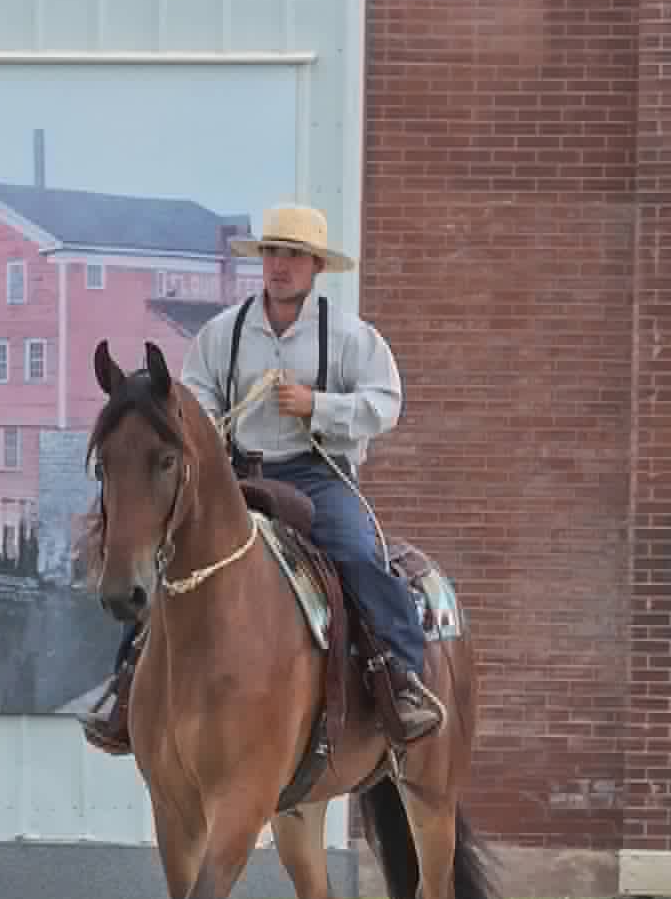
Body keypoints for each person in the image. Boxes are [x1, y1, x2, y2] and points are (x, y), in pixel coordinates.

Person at [78, 202, 445, 756]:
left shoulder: (349, 337)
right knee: (170, 554)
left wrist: (316, 406)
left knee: (357, 553)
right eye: (274, 253)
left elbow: (385, 404)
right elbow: (193, 403)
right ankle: (127, 685)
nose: (281, 266)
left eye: (294, 256)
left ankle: (398, 678)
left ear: (316, 267)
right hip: (236, 471)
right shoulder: (222, 335)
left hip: (318, 474)